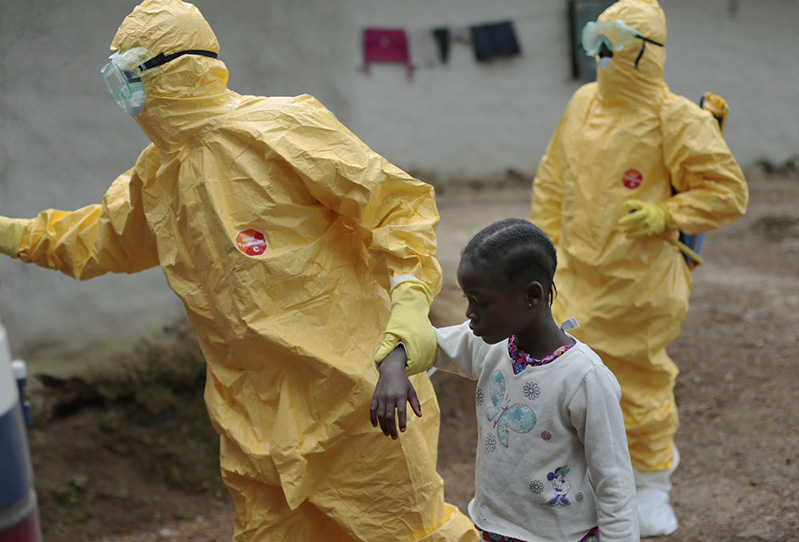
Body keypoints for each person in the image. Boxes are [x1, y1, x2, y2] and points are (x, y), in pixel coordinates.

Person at [0, 1, 479, 540]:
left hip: (354, 397)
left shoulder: (281, 128)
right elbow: (95, 238)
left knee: (406, 532)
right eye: (116, 79)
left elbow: (395, 203)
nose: (124, 94)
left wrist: (410, 304)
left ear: (173, 69)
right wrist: (10, 234)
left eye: (130, 75)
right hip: (252, 424)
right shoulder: (157, 176)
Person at [529, 0, 748, 536]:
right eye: (594, 41)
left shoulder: (676, 118)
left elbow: (728, 193)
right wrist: (542, 253)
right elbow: (553, 184)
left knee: (640, 380)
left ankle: (652, 486)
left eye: (616, 43)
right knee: (567, 378)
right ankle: (578, 481)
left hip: (642, 283)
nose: (602, 55)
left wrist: (666, 213)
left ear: (645, 52)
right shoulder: (581, 104)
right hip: (575, 277)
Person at [371, 218, 640, 542]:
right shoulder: (490, 346)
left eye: (481, 302)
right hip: (492, 530)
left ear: (531, 296)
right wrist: (392, 368)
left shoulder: (584, 379)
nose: (469, 313)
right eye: (467, 299)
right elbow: (426, 343)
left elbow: (615, 482)